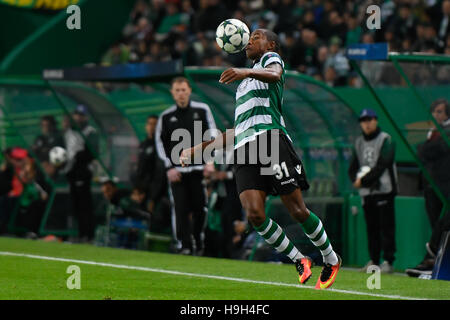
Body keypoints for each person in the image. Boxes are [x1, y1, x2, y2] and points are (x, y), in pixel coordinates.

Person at [180, 29, 341, 289]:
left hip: (270, 139)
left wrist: (245, 71)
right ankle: (299, 259)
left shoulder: (270, 60)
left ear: (271, 44)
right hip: (244, 148)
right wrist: (195, 149)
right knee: (254, 214)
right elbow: (237, 129)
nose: (249, 41)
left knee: (297, 210)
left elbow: (275, 75)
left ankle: (330, 258)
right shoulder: (243, 85)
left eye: (256, 36)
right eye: (250, 37)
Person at [155, 76, 217, 255]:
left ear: (189, 91)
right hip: (177, 172)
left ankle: (198, 240)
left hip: (198, 170)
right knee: (180, 208)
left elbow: (212, 136)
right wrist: (169, 167)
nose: (181, 94)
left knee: (200, 208)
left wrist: (210, 162)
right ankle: (184, 245)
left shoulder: (202, 110)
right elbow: (161, 143)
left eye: (184, 90)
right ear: (172, 93)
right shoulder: (166, 117)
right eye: (177, 90)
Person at [348, 109, 398, 274]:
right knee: (372, 228)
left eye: (369, 119)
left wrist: (363, 180)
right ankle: (374, 260)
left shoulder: (386, 139)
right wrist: (355, 179)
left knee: (386, 227)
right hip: (366, 192)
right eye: (363, 120)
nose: (367, 123)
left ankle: (388, 261)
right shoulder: (359, 142)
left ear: (376, 120)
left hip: (384, 189)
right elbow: (353, 166)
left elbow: (383, 164)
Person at [407, 99, 450, 277]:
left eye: (440, 111)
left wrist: (425, 149)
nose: (436, 115)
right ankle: (435, 261)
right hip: (430, 185)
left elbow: (434, 149)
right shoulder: (432, 132)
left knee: (443, 223)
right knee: (437, 225)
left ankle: (432, 259)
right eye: (434, 112)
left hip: (445, 185)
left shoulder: (445, 132)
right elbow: (422, 153)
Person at [64, 105, 99, 243]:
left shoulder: (91, 132)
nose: (78, 117)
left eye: (81, 115)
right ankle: (77, 233)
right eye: (76, 114)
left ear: (86, 117)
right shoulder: (69, 132)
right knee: (74, 205)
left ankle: (87, 234)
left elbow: (92, 153)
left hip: (83, 172)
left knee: (85, 205)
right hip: (70, 171)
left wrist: (77, 156)